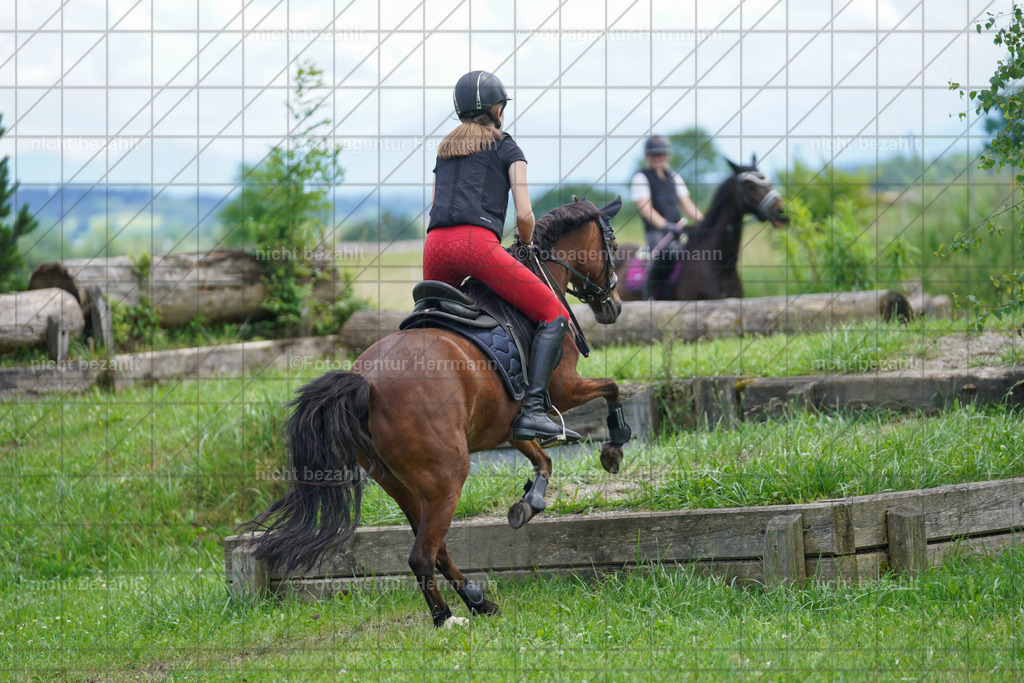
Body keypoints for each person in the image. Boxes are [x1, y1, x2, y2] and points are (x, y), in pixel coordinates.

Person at [424, 70, 580, 444]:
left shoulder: (445, 149)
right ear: (498, 110)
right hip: (476, 247)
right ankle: (534, 412)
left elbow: (433, 205)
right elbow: (525, 215)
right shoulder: (508, 147)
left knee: (429, 323)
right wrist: (525, 243)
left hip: (434, 247)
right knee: (553, 312)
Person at [630, 135, 704, 300]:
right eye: (653, 154)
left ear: (666, 155)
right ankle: (652, 293)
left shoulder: (674, 177)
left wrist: (705, 222)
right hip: (657, 231)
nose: (657, 158)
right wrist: (665, 225)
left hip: (678, 229)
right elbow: (645, 208)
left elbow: (688, 205)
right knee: (667, 253)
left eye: (661, 154)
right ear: (647, 156)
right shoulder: (641, 178)